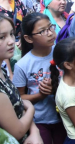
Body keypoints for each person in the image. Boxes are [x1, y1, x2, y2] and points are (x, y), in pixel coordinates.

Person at [13, 12, 67, 144]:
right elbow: (19, 98)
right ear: (29, 38)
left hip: (65, 116)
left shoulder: (63, 52)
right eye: (42, 31)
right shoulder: (22, 65)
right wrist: (40, 95)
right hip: (39, 120)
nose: (50, 33)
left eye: (50, 27)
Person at [0, 14, 43, 143]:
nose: (11, 41)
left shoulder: (2, 69)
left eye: (12, 34)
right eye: (2, 37)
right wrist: (31, 108)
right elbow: (17, 131)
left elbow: (17, 108)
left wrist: (35, 131)